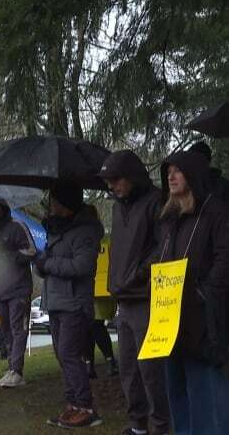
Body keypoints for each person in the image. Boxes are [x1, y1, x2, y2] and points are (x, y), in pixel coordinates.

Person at [97, 149, 170, 435]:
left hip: (147, 299)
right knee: (128, 368)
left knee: (151, 370)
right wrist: (116, 282)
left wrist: (135, 276)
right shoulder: (118, 206)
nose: (111, 186)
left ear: (131, 177)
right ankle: (138, 426)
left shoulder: (156, 202)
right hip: (123, 301)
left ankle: (161, 427)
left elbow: (163, 248)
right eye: (108, 181)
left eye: (115, 179)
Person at [157, 151, 229, 434]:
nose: (171, 176)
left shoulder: (217, 212)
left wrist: (203, 294)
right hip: (171, 317)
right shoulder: (170, 219)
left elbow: (225, 259)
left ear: (194, 175)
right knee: (177, 390)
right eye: (168, 171)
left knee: (206, 392)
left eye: (178, 170)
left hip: (203, 318)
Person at [35, 181, 103, 428]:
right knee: (62, 355)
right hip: (55, 300)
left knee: (69, 354)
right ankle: (72, 404)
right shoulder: (56, 229)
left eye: (55, 200)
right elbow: (48, 263)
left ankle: (85, 406)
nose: (51, 205)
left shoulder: (85, 231)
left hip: (74, 302)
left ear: (66, 203)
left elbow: (81, 266)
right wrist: (39, 262)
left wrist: (48, 264)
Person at [0, 197, 36, 387]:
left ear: (4, 210)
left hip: (18, 289)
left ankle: (17, 370)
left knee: (18, 328)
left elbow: (31, 250)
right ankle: (11, 367)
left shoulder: (17, 226)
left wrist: (10, 256)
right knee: (6, 330)